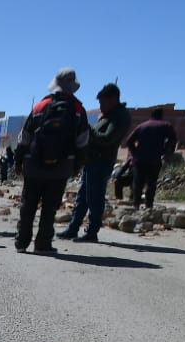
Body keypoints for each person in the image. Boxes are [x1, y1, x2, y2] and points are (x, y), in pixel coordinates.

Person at [13, 68, 90, 253]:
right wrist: (77, 165)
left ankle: (22, 243)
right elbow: (83, 141)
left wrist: (18, 161)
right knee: (50, 208)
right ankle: (43, 244)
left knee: (28, 205)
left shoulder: (40, 106)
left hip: (34, 165)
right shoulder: (78, 109)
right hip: (61, 167)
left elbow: (24, 137)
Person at [60, 82, 131, 242]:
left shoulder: (120, 116)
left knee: (94, 198)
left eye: (102, 102)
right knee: (83, 198)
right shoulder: (109, 116)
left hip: (101, 162)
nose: (100, 106)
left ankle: (92, 232)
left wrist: (88, 129)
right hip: (92, 161)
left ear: (112, 99)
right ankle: (73, 228)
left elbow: (107, 139)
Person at [122, 107, 177, 208]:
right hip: (154, 159)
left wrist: (135, 153)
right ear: (161, 115)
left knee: (138, 182)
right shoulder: (166, 125)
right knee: (152, 183)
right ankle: (149, 205)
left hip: (139, 160)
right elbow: (173, 140)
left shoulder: (141, 126)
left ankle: (136, 204)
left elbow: (129, 141)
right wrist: (166, 151)